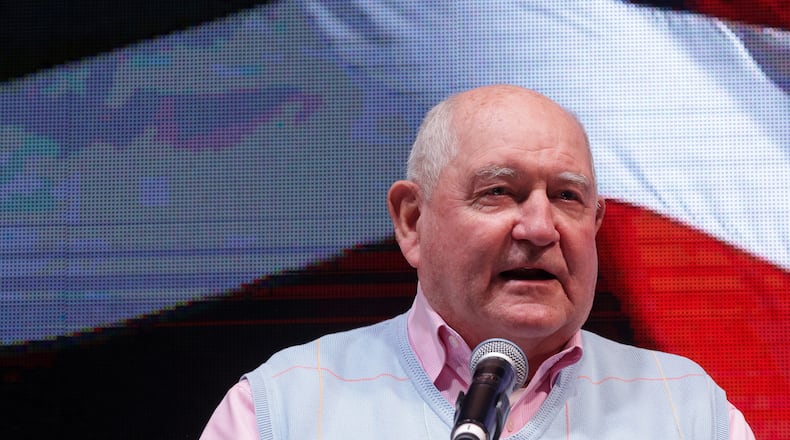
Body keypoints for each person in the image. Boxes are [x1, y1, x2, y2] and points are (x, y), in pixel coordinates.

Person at [200, 84, 755, 439]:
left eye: (567, 197)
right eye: (498, 192)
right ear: (413, 222)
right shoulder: (284, 408)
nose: (540, 228)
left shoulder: (690, 412)